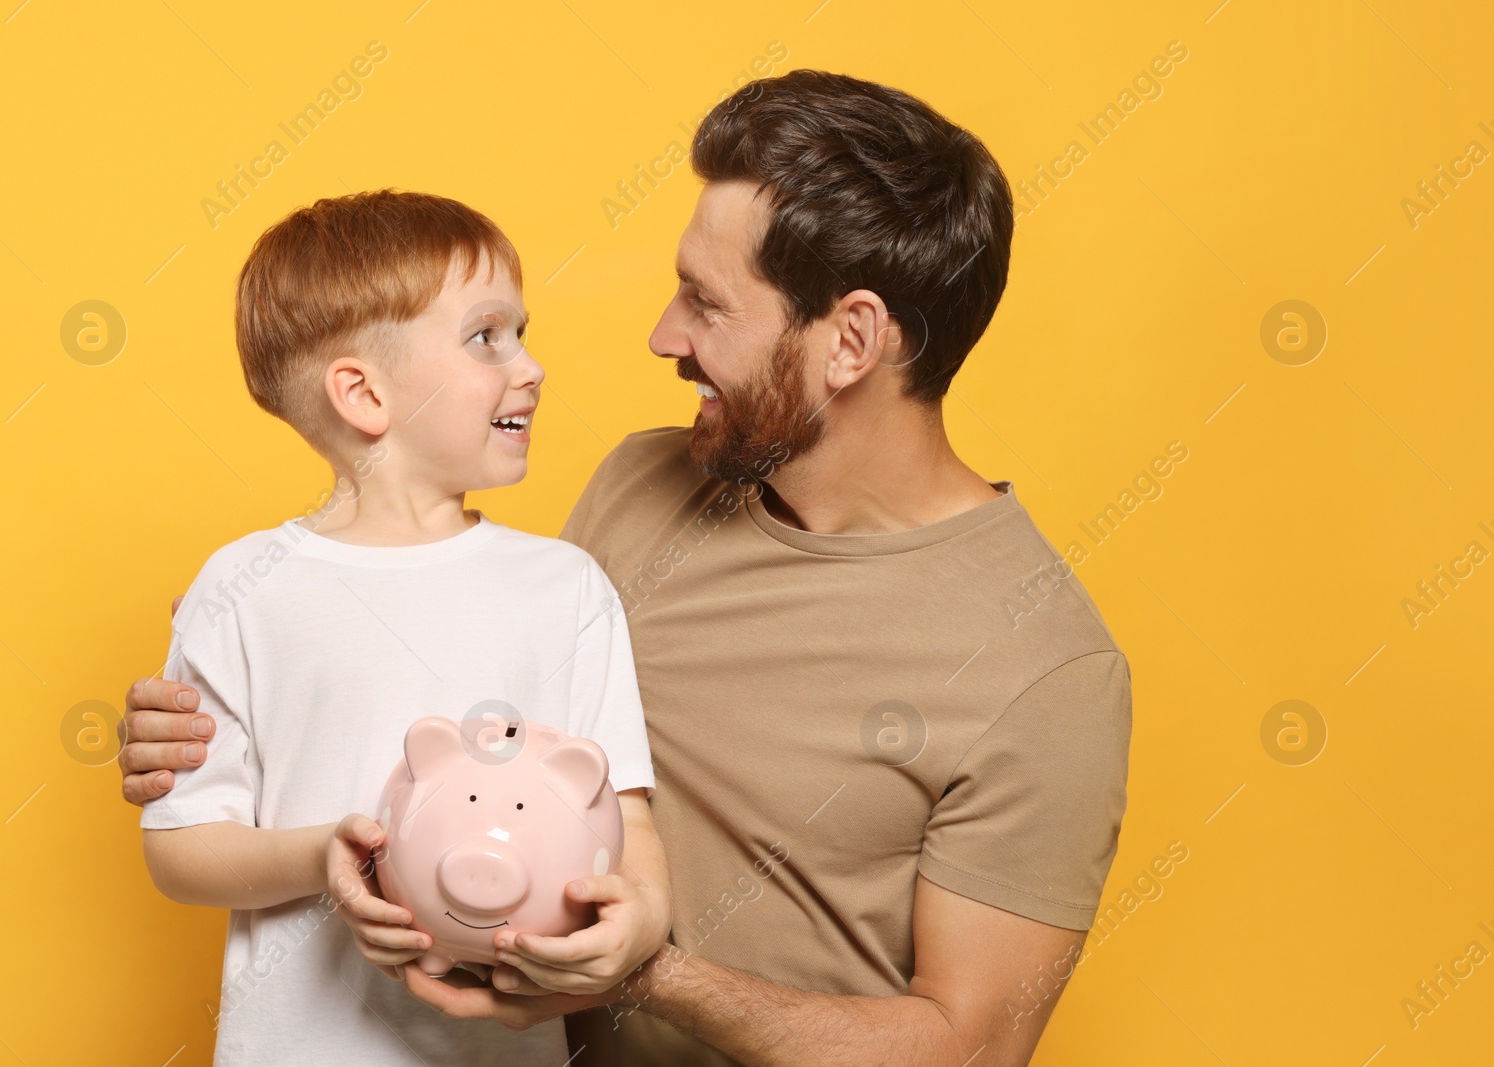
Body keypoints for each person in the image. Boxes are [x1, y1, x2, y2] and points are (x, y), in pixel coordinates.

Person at [123, 71, 1132, 1066]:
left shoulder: (1043, 669)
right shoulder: (644, 486)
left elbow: (966, 1050)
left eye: (706, 302)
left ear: (851, 340)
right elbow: (457, 671)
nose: (663, 336)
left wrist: (648, 973)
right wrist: (229, 675)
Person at [135, 189, 672, 1065]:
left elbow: (628, 819)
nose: (530, 367)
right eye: (486, 337)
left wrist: (639, 918)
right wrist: (325, 858)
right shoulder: (241, 588)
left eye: (522, 334)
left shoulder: (565, 587)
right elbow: (182, 851)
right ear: (362, 392)